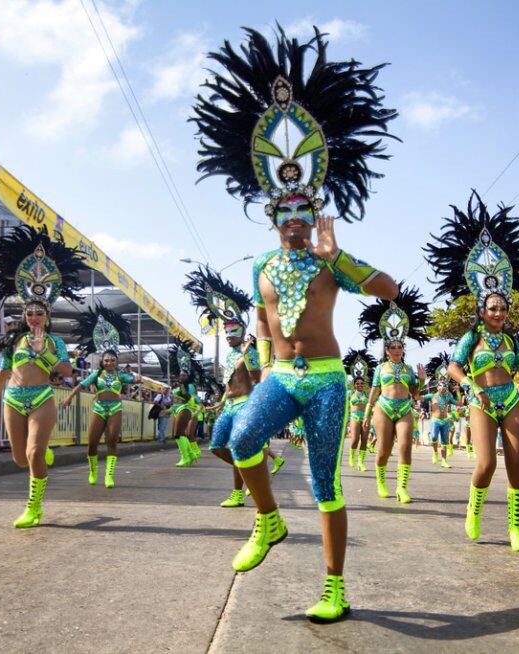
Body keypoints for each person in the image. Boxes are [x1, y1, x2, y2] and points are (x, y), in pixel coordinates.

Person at [192, 25, 400, 622]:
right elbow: (260, 318)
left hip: (329, 379)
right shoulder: (259, 262)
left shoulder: (331, 258)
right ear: (271, 213)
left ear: (314, 213)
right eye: (284, 210)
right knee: (239, 440)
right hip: (281, 375)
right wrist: (259, 367)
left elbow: (389, 291)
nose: (294, 217)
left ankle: (334, 587)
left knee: (326, 485)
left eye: (303, 209)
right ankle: (268, 520)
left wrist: (340, 258)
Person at [426, 192, 519, 552]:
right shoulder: (471, 337)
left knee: (516, 463)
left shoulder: (511, 341)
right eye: (493, 308)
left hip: (511, 399)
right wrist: (468, 385)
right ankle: (474, 509)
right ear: (481, 308)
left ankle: (515, 529)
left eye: (503, 308)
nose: (498, 312)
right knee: (487, 463)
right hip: (480, 400)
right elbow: (453, 366)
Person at [0, 224, 86, 528]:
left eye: (39, 313)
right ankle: (40, 455)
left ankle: (34, 507)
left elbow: (66, 372)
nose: (34, 317)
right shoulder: (14, 340)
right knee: (20, 459)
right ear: (25, 316)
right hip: (13, 398)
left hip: (41, 399)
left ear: (48, 315)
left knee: (34, 451)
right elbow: (2, 372)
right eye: (29, 313)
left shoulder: (57, 343)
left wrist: (43, 353)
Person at [183, 266, 263, 508]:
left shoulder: (251, 351)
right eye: (225, 330)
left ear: (244, 330)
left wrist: (248, 354)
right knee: (217, 447)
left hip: (246, 405)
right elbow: (230, 383)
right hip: (229, 405)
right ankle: (252, 470)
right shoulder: (229, 355)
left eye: (233, 330)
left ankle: (238, 492)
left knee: (236, 448)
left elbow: (257, 377)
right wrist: (218, 402)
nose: (228, 334)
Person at [359, 287, 430, 503]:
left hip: (404, 407)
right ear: (387, 350)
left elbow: (416, 395)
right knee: (383, 449)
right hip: (384, 407)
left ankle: (402, 487)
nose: (397, 350)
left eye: (400, 347)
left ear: (403, 349)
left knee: (406, 445)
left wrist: (421, 379)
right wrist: (367, 414)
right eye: (393, 348)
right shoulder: (381, 369)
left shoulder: (408, 369)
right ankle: (381, 482)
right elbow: (374, 391)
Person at [63, 307, 141, 487]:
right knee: (91, 443)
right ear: (102, 361)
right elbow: (79, 386)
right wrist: (68, 398)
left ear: (116, 362)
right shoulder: (96, 375)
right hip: (98, 408)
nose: (109, 362)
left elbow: (133, 380)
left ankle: (109, 476)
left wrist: (137, 379)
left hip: (115, 408)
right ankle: (93, 471)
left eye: (112, 360)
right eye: (106, 360)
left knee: (112, 441)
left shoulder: (121, 375)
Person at [168, 342, 205, 467]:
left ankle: (187, 456)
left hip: (186, 409)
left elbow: (187, 397)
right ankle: (190, 454)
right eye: (180, 374)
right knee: (179, 434)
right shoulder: (178, 384)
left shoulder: (188, 386)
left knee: (182, 434)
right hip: (176, 410)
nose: (181, 376)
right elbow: (174, 398)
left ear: (188, 376)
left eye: (184, 375)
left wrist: (182, 388)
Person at [342, 349, 376, 472]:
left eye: (362, 383)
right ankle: (352, 456)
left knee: (365, 440)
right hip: (354, 417)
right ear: (354, 384)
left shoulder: (367, 393)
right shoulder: (350, 393)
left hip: (366, 418)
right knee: (355, 439)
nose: (360, 385)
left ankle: (361, 462)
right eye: (357, 383)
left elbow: (375, 398)